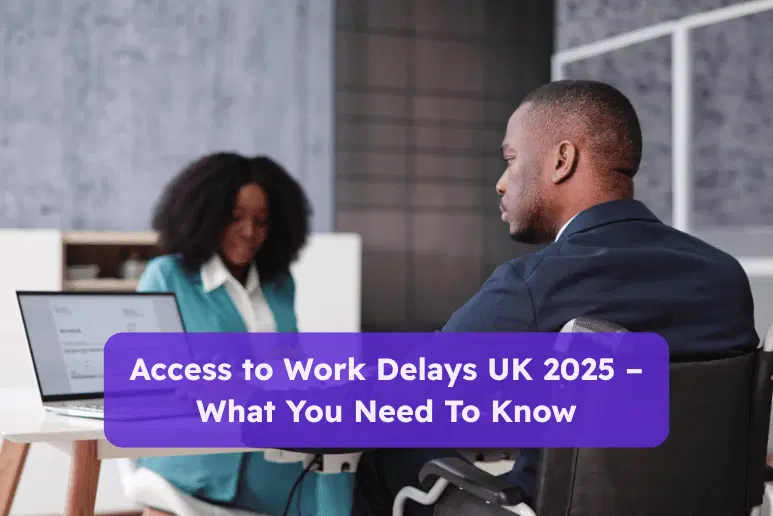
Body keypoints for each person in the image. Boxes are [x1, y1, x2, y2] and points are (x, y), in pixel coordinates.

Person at [351, 80, 759, 515]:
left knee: (387, 453)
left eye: (511, 159)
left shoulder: (536, 283)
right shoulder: (724, 276)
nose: (501, 183)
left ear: (562, 160)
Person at [135, 152, 353, 515]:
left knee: (348, 460)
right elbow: (157, 380)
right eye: (235, 217)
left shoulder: (279, 284)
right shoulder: (167, 277)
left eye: (262, 221)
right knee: (337, 476)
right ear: (206, 215)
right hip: (204, 456)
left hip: (272, 441)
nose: (250, 233)